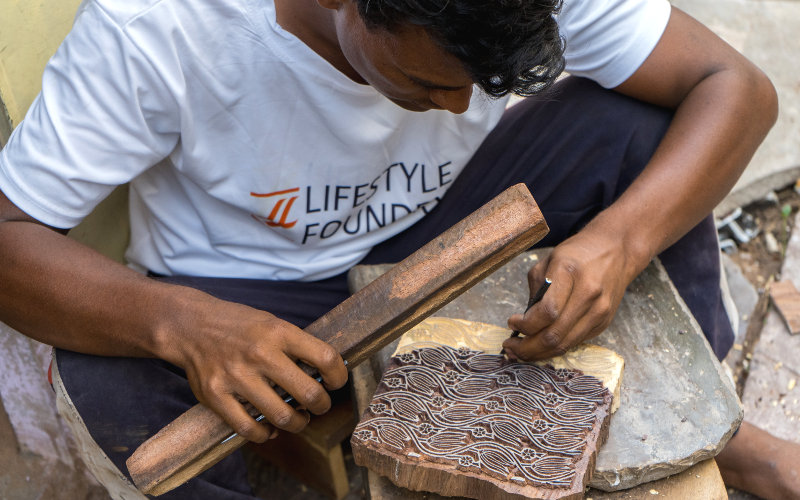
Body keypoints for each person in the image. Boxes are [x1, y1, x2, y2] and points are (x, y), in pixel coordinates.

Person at [0, 0, 796, 498]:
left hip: (456, 232)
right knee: (107, 376)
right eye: (425, 83)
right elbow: (11, 238)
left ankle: (699, 430)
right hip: (255, 297)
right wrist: (181, 323)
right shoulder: (157, 26)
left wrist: (620, 242)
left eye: (487, 85)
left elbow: (735, 87)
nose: (457, 106)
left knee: (638, 129)